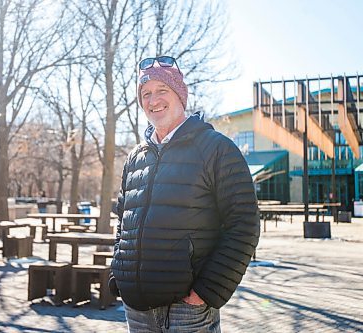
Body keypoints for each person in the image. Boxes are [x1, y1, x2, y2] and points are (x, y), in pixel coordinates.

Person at [109, 56, 260, 332]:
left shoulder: (216, 149)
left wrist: (207, 291)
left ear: (180, 94)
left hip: (187, 309)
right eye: (146, 94)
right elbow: (123, 222)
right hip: (137, 308)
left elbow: (244, 225)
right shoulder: (134, 157)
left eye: (161, 90)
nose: (153, 100)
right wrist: (118, 273)